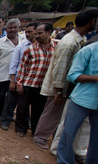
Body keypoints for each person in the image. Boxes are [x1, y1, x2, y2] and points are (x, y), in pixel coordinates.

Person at [34, 9, 98, 150]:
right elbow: (60, 68)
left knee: (57, 114)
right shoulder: (69, 43)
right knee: (52, 112)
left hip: (66, 87)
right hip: (60, 86)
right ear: (92, 21)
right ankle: (40, 136)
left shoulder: (80, 40)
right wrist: (58, 91)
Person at [56, 39, 98, 164]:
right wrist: (95, 78)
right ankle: (65, 163)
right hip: (81, 100)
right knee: (69, 132)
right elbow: (72, 75)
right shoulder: (89, 51)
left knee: (94, 139)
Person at [15, 23, 57, 137]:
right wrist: (19, 83)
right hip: (29, 83)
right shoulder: (30, 49)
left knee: (38, 110)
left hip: (44, 85)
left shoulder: (56, 47)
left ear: (49, 32)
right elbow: (22, 67)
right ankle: (21, 128)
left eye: (40, 33)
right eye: (36, 33)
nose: (37, 35)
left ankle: (35, 130)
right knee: (22, 108)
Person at [0, 22, 39, 131]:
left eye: (30, 32)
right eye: (26, 32)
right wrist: (13, 81)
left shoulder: (42, 48)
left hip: (34, 81)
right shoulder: (21, 47)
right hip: (18, 79)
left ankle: (26, 125)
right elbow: (13, 65)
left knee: (26, 105)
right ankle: (5, 122)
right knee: (10, 102)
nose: (27, 34)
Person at [0, 18, 22, 121]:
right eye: (10, 27)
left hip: (18, 75)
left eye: (15, 27)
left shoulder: (23, 41)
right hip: (2, 74)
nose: (12, 29)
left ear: (18, 28)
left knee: (13, 98)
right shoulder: (0, 42)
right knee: (0, 95)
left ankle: (9, 114)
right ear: (6, 28)